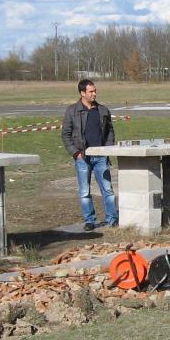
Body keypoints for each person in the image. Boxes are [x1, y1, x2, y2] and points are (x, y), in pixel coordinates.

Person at [62, 78, 118, 231]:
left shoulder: (103, 110)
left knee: (108, 190)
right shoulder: (72, 111)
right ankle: (90, 220)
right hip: (83, 157)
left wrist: (108, 149)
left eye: (95, 91)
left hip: (101, 157)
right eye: (91, 91)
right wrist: (76, 153)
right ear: (82, 93)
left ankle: (112, 219)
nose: (94, 94)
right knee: (85, 191)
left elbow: (110, 131)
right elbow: (66, 135)